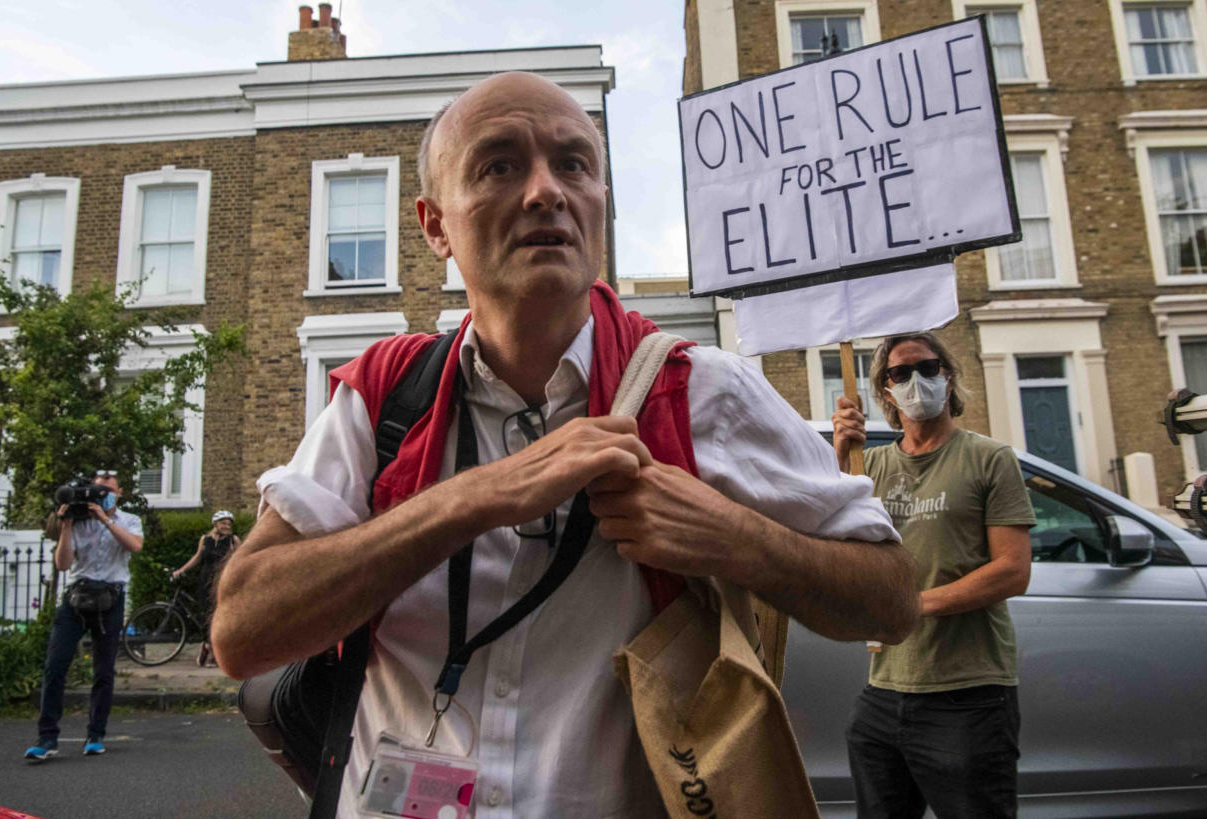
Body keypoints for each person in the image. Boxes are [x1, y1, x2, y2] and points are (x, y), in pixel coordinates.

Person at [212, 71, 919, 818]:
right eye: (499, 165)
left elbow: (891, 597)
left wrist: (731, 536)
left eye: (574, 164)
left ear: (600, 202)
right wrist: (471, 500)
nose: (546, 190)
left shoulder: (702, 390)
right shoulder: (383, 397)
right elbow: (241, 633)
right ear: (434, 225)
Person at [831, 333, 1035, 819]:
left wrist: (914, 606)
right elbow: (829, 549)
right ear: (884, 390)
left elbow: (1012, 570)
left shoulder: (989, 458)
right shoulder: (869, 466)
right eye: (900, 373)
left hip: (967, 695)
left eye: (927, 367)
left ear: (947, 374)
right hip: (883, 692)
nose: (915, 380)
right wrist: (839, 456)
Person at [24, 470, 144, 762]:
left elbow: (135, 546)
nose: (100, 494)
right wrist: (66, 526)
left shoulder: (130, 520)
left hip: (111, 598)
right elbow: (63, 564)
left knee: (103, 671)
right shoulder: (77, 522)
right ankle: (47, 737)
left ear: (119, 492)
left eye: (107, 490)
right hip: (76, 597)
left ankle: (95, 735)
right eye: (97, 489)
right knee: (55, 666)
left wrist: (105, 519)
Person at [172, 510, 239, 667]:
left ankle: (213, 652)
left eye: (229, 523)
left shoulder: (233, 540)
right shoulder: (205, 539)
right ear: (215, 524)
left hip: (222, 581)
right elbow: (197, 558)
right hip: (204, 580)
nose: (227, 526)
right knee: (204, 614)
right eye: (223, 523)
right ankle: (207, 644)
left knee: (217, 616)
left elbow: (240, 558)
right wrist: (180, 571)